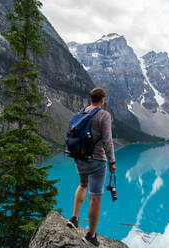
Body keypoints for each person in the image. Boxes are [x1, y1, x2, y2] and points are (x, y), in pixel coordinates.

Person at [67, 88, 116, 247]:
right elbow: (108, 141)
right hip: (96, 161)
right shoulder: (104, 115)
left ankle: (74, 218)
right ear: (102, 99)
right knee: (95, 197)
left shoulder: (81, 113)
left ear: (91, 99)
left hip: (79, 158)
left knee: (82, 185)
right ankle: (91, 235)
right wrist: (112, 161)